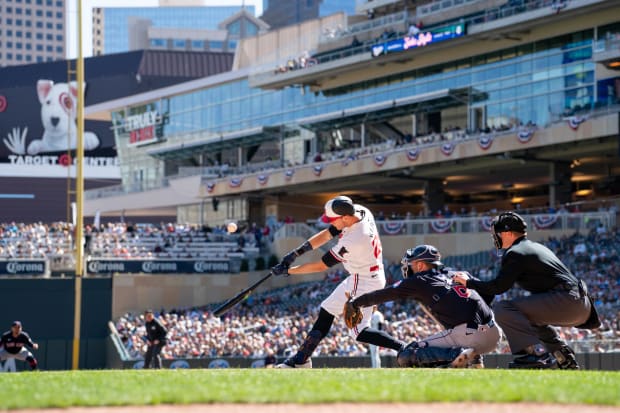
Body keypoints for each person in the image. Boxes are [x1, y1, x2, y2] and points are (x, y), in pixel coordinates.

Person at [454, 211, 600, 369]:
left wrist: (469, 282)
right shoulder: (534, 246)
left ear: (508, 233)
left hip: (567, 300)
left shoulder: (516, 252)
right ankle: (563, 357)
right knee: (527, 318)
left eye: (498, 233)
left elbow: (498, 287)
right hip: (581, 304)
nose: (495, 237)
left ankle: (533, 355)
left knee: (503, 308)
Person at [271, 195, 405, 368]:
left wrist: (289, 271)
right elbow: (327, 234)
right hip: (363, 275)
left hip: (364, 281)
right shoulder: (360, 211)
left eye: (333, 219)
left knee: (358, 332)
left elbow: (321, 266)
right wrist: (295, 254)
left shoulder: (354, 240)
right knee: (327, 309)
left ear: (345, 217)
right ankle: (301, 360)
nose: (331, 223)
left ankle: (403, 347)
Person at [347, 245, 500, 368]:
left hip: (468, 336)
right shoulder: (459, 273)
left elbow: (386, 293)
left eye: (411, 264)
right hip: (494, 333)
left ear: (420, 265)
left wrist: (356, 303)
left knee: (407, 354)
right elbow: (488, 295)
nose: (408, 268)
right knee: (455, 326)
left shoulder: (419, 280)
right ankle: (474, 359)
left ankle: (460, 354)